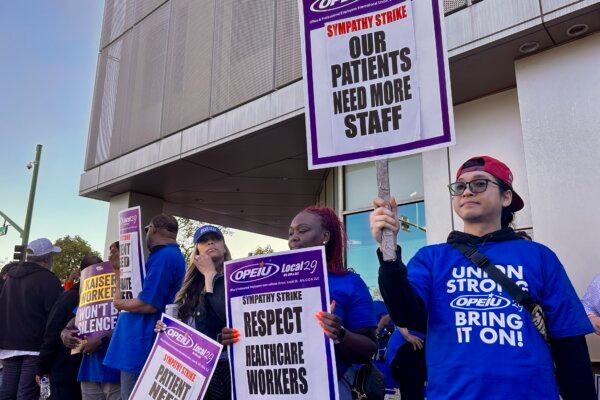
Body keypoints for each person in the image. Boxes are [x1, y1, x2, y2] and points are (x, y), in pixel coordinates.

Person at [370, 155, 596, 399]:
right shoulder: (431, 259)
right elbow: (407, 315)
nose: (467, 191)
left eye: (479, 183)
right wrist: (389, 254)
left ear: (506, 197)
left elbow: (570, 344)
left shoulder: (540, 257)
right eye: (460, 186)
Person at [222, 206, 378, 400]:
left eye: (302, 231)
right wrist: (237, 336)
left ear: (326, 236)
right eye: (290, 233)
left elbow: (369, 349)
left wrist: (340, 333)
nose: (293, 238)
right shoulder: (270, 282)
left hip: (332, 388)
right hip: (277, 388)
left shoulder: (349, 283)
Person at [103, 214, 185, 400]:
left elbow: (148, 304)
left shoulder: (165, 256)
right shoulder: (163, 255)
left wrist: (119, 303)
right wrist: (118, 270)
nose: (146, 234)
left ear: (153, 229)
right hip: (136, 343)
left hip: (142, 343)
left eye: (147, 230)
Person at [155, 225, 232, 399]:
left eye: (216, 238)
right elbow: (186, 326)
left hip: (224, 366)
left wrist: (210, 273)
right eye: (203, 241)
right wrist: (167, 329)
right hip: (193, 367)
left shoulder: (234, 277)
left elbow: (225, 313)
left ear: (224, 246)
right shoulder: (190, 285)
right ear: (197, 250)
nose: (210, 242)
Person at [0, 238, 62, 400]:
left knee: (7, 393)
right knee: (26, 395)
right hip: (35, 348)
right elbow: (55, 318)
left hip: (8, 347)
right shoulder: (49, 280)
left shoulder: (10, 279)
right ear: (47, 258)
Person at [36, 254, 103, 400]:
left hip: (71, 370)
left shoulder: (69, 297)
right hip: (75, 369)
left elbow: (51, 333)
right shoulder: (74, 297)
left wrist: (42, 367)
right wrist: (43, 367)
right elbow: (53, 333)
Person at [385, 327, 426, 400]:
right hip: (407, 345)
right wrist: (407, 336)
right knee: (411, 392)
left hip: (424, 344)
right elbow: (398, 317)